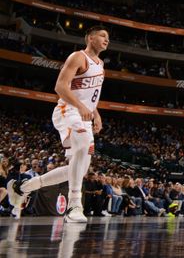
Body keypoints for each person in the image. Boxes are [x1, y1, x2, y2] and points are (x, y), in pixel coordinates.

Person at [8, 26, 109, 222]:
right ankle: (74, 206)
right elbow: (60, 87)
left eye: (108, 37)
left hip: (84, 114)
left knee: (79, 167)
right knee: (82, 144)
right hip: (68, 110)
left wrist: (96, 114)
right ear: (90, 38)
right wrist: (80, 107)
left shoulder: (101, 64)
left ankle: (22, 188)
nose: (107, 40)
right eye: (102, 36)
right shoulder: (78, 57)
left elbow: (90, 96)